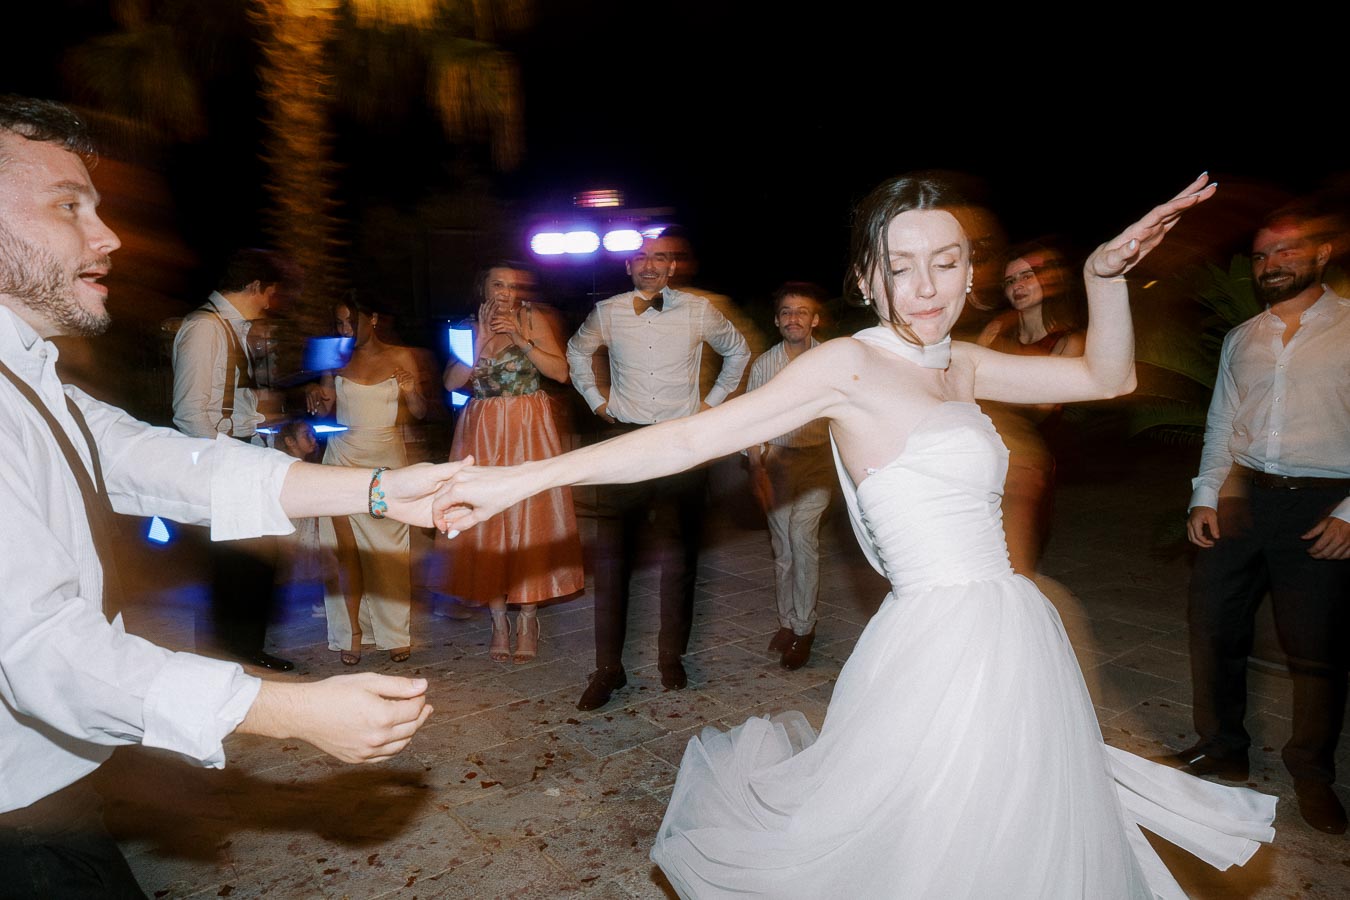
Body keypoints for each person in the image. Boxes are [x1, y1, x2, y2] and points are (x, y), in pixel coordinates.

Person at [441, 172, 1280, 897]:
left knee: (1014, 815)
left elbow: (1110, 375)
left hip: (1016, 629)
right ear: (869, 280)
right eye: (901, 266)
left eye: (946, 263)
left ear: (969, 272)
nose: (927, 286)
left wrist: (1103, 276)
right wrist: (524, 477)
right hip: (935, 640)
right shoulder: (846, 365)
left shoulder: (960, 361)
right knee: (932, 828)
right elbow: (693, 437)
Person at [0, 94, 452, 896]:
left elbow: (144, 456)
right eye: (69, 206)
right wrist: (293, 712)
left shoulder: (25, 367)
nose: (107, 237)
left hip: (48, 792)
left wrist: (379, 489)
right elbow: (39, 649)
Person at [1164, 202, 1350, 834]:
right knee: (1212, 624)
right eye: (1264, 255)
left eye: (1287, 251)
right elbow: (1221, 425)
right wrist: (1204, 496)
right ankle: (1224, 749)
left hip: (1324, 504)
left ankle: (1313, 772)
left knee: (1316, 648)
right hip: (1244, 497)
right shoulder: (1243, 337)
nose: (1272, 264)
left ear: (1323, 254)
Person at [565, 233, 750, 710]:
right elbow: (576, 352)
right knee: (614, 561)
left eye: (660, 258)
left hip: (681, 443)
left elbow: (738, 353)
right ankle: (610, 669)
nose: (650, 265)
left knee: (682, 559)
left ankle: (673, 657)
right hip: (625, 438)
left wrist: (709, 406)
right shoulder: (607, 311)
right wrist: (596, 400)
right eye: (642, 258)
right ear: (629, 267)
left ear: (672, 268)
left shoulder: (698, 310)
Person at [441, 263, 583, 662]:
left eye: (511, 285)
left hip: (527, 429)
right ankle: (499, 620)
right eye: (497, 284)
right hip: (481, 431)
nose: (505, 291)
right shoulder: (466, 326)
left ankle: (527, 618)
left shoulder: (532, 318)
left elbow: (560, 372)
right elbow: (451, 382)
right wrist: (481, 338)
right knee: (486, 521)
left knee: (529, 516)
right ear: (483, 288)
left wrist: (520, 338)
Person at [172, 248, 295, 671]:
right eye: (269, 293)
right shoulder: (205, 328)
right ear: (255, 286)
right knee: (241, 562)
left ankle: (240, 647)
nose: (270, 302)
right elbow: (189, 410)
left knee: (253, 560)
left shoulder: (232, 328)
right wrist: (222, 460)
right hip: (224, 459)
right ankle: (236, 650)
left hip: (242, 454)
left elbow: (236, 400)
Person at [307, 295, 430, 664]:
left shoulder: (400, 356)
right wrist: (316, 398)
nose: (344, 330)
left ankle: (394, 633)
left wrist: (410, 392)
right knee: (346, 555)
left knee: (388, 552)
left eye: (350, 322)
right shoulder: (335, 358)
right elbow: (325, 407)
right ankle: (351, 634)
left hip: (386, 463)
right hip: (342, 459)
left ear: (372, 318)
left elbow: (421, 411)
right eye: (339, 324)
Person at [976, 242, 1086, 575]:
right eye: (1010, 281)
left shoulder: (1069, 341)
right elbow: (964, 385)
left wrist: (997, 370)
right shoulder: (997, 331)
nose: (1017, 286)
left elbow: (1042, 406)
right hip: (982, 457)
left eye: (1027, 275)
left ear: (1049, 281)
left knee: (1015, 561)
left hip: (1026, 465)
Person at [746, 282, 833, 669]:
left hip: (817, 462)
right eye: (786, 312)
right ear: (777, 320)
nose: (793, 318)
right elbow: (752, 419)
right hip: (778, 461)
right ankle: (786, 621)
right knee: (782, 546)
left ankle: (804, 629)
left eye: (801, 311)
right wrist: (755, 464)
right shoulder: (765, 364)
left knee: (802, 536)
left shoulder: (831, 360)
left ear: (815, 319)